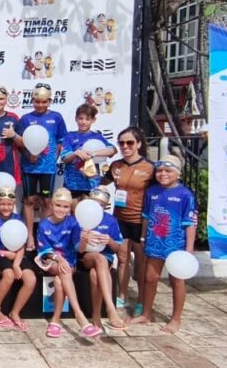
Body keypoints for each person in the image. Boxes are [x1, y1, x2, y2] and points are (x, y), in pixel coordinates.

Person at [131, 154, 197, 334]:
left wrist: (189, 249)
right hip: (155, 243)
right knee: (150, 278)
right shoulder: (152, 192)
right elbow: (146, 217)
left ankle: (176, 319)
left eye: (168, 170)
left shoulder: (185, 195)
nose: (163, 174)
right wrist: (143, 238)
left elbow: (190, 223)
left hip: (176, 245)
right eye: (159, 171)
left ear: (178, 173)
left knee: (177, 281)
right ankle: (146, 314)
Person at [36, 188, 102, 339]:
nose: (61, 209)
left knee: (59, 282)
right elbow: (44, 250)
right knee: (64, 270)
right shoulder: (44, 224)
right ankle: (81, 318)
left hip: (68, 261)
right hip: (50, 259)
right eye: (58, 205)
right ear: (52, 205)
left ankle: (55, 321)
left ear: (70, 208)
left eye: (65, 206)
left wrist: (84, 241)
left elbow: (80, 249)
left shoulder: (73, 223)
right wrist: (58, 258)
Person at [105, 126, 154, 312]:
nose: (125, 146)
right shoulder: (116, 165)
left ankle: (141, 300)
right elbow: (102, 182)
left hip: (140, 221)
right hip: (119, 218)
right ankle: (122, 296)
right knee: (122, 258)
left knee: (141, 261)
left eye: (130, 143)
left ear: (138, 144)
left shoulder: (149, 167)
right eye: (122, 143)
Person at [15, 85, 67, 248]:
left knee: (46, 200)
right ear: (32, 101)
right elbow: (19, 143)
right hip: (29, 167)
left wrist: (54, 157)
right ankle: (30, 236)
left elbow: (61, 141)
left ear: (49, 101)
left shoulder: (56, 118)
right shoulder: (25, 119)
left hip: (47, 169)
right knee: (29, 200)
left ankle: (43, 236)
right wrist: (26, 154)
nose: (40, 105)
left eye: (44, 102)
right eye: (37, 101)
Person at [75, 187, 127, 331]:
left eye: (102, 205)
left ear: (106, 206)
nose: (97, 207)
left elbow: (117, 249)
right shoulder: (79, 217)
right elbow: (78, 249)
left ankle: (96, 316)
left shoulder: (110, 220)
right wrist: (84, 239)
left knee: (95, 274)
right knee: (100, 259)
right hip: (86, 256)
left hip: (105, 256)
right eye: (95, 203)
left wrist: (109, 240)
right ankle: (110, 308)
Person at [0, 186, 35, 331]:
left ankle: (15, 312)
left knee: (31, 279)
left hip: (17, 256)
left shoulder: (18, 219)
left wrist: (17, 264)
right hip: (1, 255)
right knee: (9, 275)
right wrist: (5, 254)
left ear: (13, 204)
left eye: (9, 204)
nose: (6, 207)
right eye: (2, 204)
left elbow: (21, 245)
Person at [61, 104, 115, 196]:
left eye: (87, 119)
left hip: (92, 184)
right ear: (76, 119)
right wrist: (76, 153)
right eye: (81, 118)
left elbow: (112, 150)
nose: (83, 122)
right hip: (72, 184)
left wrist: (93, 154)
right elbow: (65, 159)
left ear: (93, 120)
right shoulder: (69, 136)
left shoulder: (98, 137)